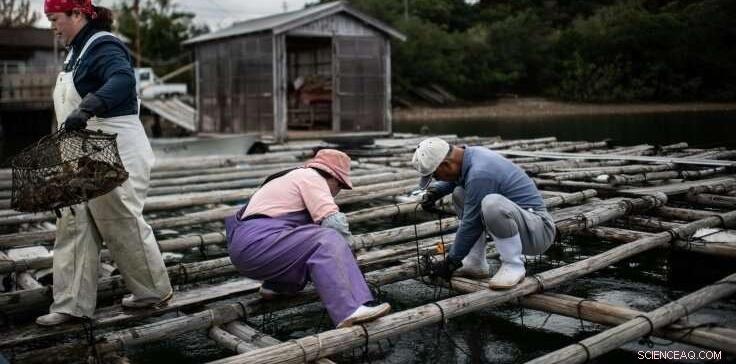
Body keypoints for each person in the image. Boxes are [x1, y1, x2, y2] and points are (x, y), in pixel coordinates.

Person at [36, 0, 173, 326]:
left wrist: (88, 107)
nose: (53, 27)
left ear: (78, 14)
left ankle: (152, 292)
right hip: (83, 149)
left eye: (56, 18)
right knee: (74, 220)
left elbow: (123, 79)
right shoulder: (75, 53)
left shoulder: (104, 46)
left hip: (117, 148)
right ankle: (70, 304)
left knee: (119, 219)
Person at [225, 149, 391, 328]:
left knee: (307, 238)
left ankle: (276, 286)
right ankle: (351, 308)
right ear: (332, 177)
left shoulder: (291, 177)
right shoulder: (312, 177)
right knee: (327, 237)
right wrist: (348, 257)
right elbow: (334, 224)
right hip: (258, 244)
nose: (338, 191)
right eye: (340, 186)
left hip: (246, 248)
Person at [411, 137, 555, 289]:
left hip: (538, 232)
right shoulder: (470, 155)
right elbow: (456, 178)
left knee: (492, 204)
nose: (436, 178)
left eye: (435, 175)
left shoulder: (480, 174)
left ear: (446, 164)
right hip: (520, 228)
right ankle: (475, 262)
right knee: (460, 193)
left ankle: (514, 265)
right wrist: (436, 191)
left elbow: (471, 224)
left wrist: (451, 262)